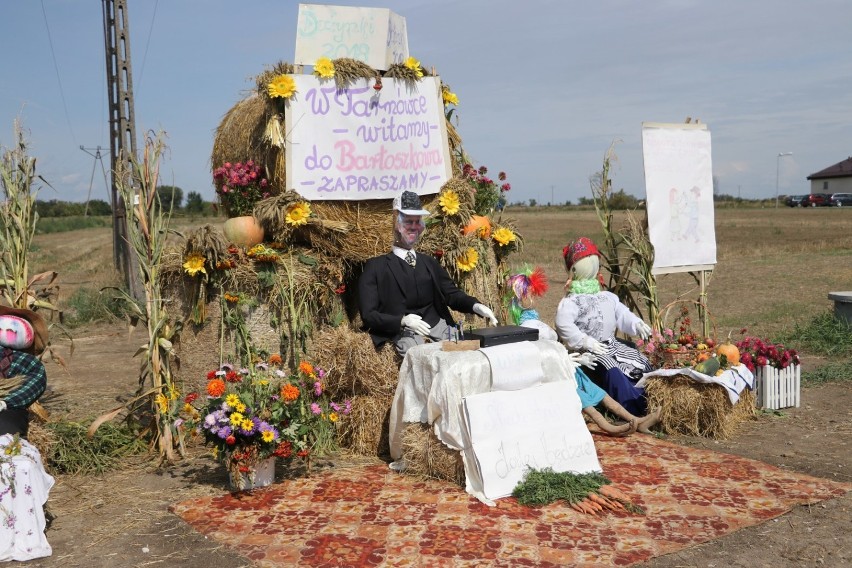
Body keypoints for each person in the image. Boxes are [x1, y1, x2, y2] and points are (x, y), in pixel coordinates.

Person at [506, 267, 657, 435]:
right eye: (528, 294)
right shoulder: (525, 328)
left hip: (569, 366)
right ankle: (607, 426)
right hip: (556, 373)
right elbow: (538, 355)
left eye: (533, 293)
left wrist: (571, 359)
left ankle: (634, 420)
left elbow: (554, 347)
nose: (533, 297)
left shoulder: (535, 322)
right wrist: (569, 357)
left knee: (598, 392)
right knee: (583, 396)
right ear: (518, 300)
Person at [359, 191, 499, 357]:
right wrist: (402, 321)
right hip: (405, 333)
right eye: (408, 221)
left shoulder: (429, 262)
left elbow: (451, 294)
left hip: (438, 325)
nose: (413, 227)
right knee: (420, 357)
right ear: (396, 224)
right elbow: (369, 315)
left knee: (469, 354)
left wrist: (476, 306)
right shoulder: (375, 267)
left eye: (417, 222)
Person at [554, 238, 660, 431]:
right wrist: (586, 341)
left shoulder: (606, 297)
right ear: (575, 270)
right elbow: (564, 326)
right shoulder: (571, 302)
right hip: (589, 353)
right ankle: (636, 410)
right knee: (613, 370)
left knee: (639, 360)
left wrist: (636, 324)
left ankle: (653, 400)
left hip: (612, 344)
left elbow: (622, 314)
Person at [0, 304, 48, 439]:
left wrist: (6, 402)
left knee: (7, 431)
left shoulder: (30, 362)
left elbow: (35, 382)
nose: (7, 329)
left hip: (7, 409)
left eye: (15, 327)